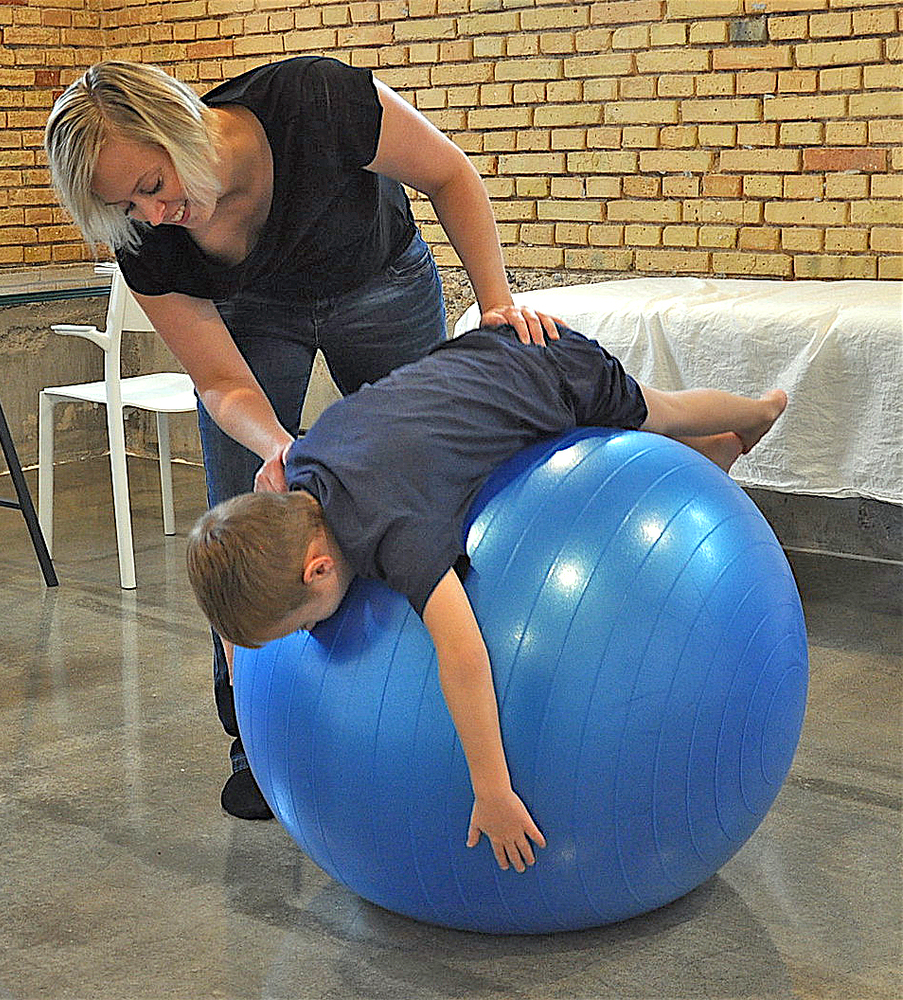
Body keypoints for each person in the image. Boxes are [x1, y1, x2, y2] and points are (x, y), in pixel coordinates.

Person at [44, 57, 560, 820]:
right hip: (254, 316)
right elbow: (222, 385)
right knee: (241, 525)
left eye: (153, 185)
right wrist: (278, 445)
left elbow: (448, 174)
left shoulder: (314, 101)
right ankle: (256, 741)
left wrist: (493, 303)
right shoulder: (145, 237)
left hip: (380, 282)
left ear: (180, 127)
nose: (151, 216)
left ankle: (484, 689)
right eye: (125, 205)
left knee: (446, 475)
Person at [186, 321, 788, 873]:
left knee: (658, 412)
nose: (305, 641)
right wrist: (239, 651)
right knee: (662, 422)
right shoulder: (299, 473)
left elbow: (465, 655)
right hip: (472, 367)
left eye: (295, 629)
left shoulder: (396, 531)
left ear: (319, 570)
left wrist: (493, 789)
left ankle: (756, 412)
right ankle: (714, 453)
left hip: (549, 374)